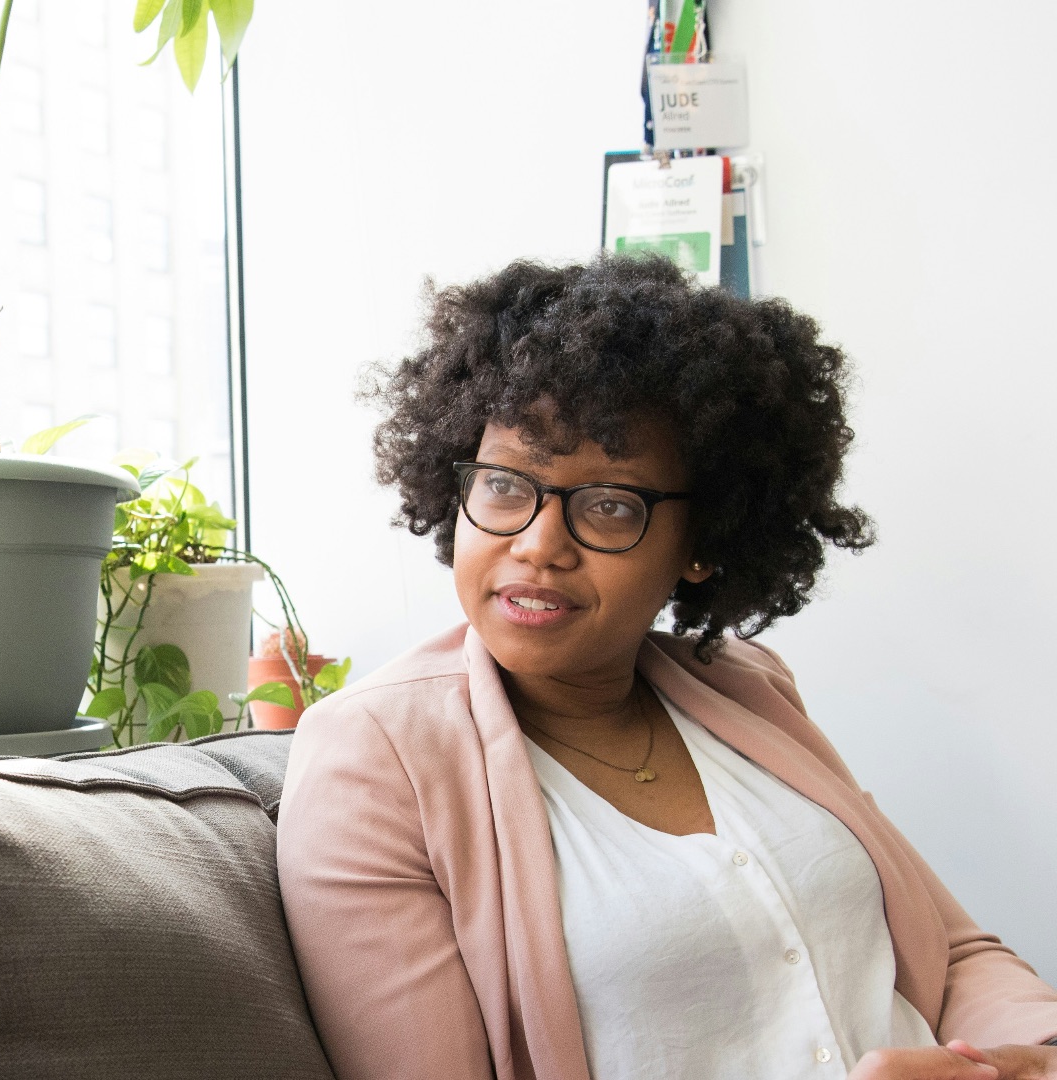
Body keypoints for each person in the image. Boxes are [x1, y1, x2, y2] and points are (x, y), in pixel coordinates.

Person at [276, 255, 1057, 1080]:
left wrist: (1031, 1058)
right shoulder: (371, 759)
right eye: (506, 486)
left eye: (611, 504)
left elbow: (957, 955)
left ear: (702, 543)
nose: (538, 545)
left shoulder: (748, 687)